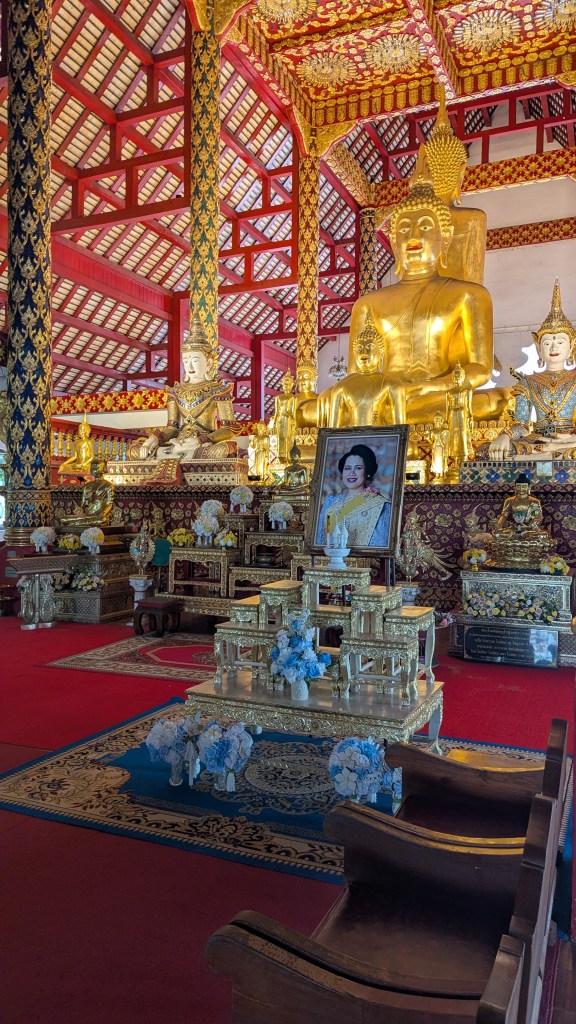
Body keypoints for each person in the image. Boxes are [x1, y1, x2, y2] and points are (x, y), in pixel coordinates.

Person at [343, 148, 493, 425]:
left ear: (445, 237)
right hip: (383, 400)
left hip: (435, 395)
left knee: (495, 401)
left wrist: (429, 387)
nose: (412, 236)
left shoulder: (469, 294)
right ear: (393, 242)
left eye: (424, 227)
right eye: (403, 229)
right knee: (318, 408)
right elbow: (356, 377)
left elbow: (481, 369)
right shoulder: (368, 304)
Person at [131, 310, 240, 460]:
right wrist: (154, 438)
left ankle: (184, 454)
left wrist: (201, 440)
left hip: (203, 445)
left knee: (224, 449)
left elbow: (229, 428)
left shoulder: (219, 390)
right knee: (135, 450)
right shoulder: (175, 391)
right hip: (178, 443)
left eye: (195, 360)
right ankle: (177, 454)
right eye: (186, 361)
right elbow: (172, 428)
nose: (190, 366)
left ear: (208, 363)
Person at [488, 280, 576, 460]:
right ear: (538, 348)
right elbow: (521, 425)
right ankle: (551, 452)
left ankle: (553, 451)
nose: (554, 347)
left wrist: (570, 438)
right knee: (486, 450)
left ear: (571, 346)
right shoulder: (527, 382)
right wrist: (506, 435)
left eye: (560, 342)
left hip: (569, 440)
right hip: (536, 440)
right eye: (547, 343)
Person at [317, 444, 391, 548]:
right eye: (347, 468)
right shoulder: (330, 503)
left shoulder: (380, 504)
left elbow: (380, 546)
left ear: (367, 472)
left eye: (358, 468)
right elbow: (320, 539)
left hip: (364, 558)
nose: (351, 473)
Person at [57, 460, 115, 529]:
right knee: (63, 519)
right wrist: (88, 498)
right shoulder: (87, 486)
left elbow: (109, 503)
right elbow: (84, 505)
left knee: (101, 520)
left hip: (99, 516)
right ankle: (80, 524)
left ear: (102, 469)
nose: (93, 471)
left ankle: (76, 524)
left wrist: (104, 513)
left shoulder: (107, 485)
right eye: (92, 468)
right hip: (88, 515)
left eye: (96, 468)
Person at [58, 414, 94, 480]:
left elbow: (92, 457)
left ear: (87, 431)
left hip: (86, 465)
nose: (80, 432)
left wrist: (82, 464)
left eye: (82, 430)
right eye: (79, 430)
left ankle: (81, 479)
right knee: (64, 467)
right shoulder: (76, 442)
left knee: (85, 469)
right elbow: (75, 457)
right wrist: (64, 463)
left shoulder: (89, 442)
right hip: (77, 464)